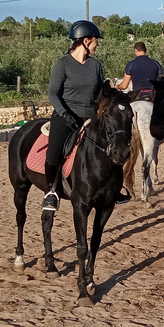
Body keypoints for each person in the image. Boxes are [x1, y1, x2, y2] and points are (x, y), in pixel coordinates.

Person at [43, 20, 129, 211]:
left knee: (114, 146)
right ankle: (51, 192)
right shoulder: (63, 64)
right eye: (96, 40)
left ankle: (114, 189)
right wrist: (64, 113)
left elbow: (100, 93)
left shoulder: (95, 65)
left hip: (90, 117)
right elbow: (53, 93)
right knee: (54, 152)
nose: (97, 44)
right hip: (65, 116)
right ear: (86, 40)